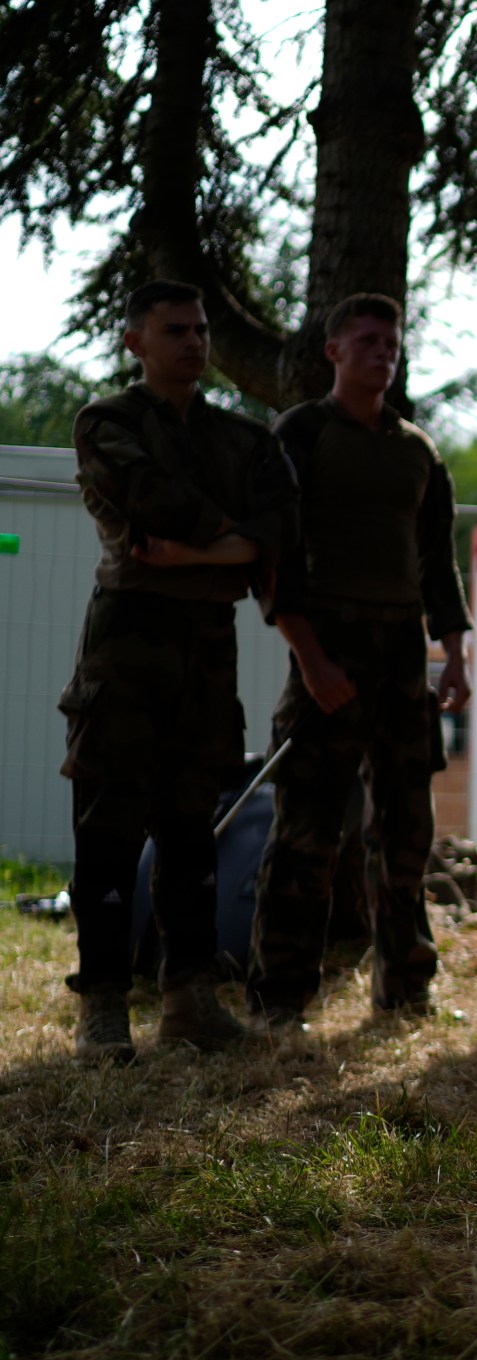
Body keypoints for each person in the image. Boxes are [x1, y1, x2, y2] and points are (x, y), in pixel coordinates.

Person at [60, 279, 295, 1062]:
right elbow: (151, 504)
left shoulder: (241, 438)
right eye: (175, 330)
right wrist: (235, 545)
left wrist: (206, 551)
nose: (194, 342)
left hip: (205, 645)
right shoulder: (108, 421)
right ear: (136, 342)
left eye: (200, 330)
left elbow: (278, 529)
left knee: (192, 832)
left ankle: (189, 1002)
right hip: (126, 645)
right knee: (110, 833)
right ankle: (102, 1005)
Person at [246, 294, 472, 1032]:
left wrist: (456, 655)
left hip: (403, 658)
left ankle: (405, 990)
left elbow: (437, 562)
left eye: (392, 342)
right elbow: (272, 559)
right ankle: (281, 1001)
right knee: (307, 835)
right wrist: (309, 660)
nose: (384, 352)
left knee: (406, 837)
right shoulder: (301, 432)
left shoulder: (417, 450)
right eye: (368, 341)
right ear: (334, 351)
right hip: (328, 652)